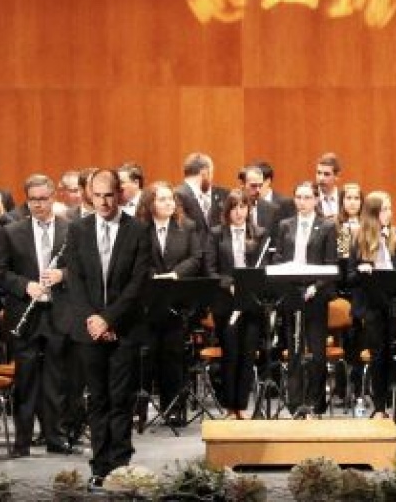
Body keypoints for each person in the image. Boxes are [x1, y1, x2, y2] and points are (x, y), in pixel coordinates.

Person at [62, 168, 151, 484]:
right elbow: (76, 280)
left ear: (120, 194)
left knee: (121, 398)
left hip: (123, 328)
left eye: (109, 195)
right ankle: (99, 466)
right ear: (89, 194)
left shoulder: (138, 230)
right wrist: (93, 320)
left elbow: (138, 283)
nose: (103, 202)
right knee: (97, 399)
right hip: (89, 329)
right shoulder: (78, 230)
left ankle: (121, 466)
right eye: (97, 195)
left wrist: (109, 319)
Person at [0, 174, 74, 457]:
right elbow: (0, 273)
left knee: (56, 380)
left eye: (43, 199)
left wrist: (61, 275)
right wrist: (24, 285)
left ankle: (56, 438)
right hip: (25, 315)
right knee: (26, 380)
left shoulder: (72, 230)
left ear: (53, 198)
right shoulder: (11, 232)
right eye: (33, 200)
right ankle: (22, 442)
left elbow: (83, 270)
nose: (38, 205)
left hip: (58, 312)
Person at [137, 181, 206, 424]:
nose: (169, 203)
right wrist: (153, 276)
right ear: (150, 204)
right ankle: (140, 410)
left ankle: (174, 408)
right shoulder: (140, 228)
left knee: (173, 355)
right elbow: (137, 258)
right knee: (146, 355)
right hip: (148, 302)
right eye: (162, 199)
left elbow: (195, 257)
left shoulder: (187, 226)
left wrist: (175, 274)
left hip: (177, 302)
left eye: (170, 199)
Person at [273, 182, 339, 417]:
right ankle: (295, 404)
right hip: (292, 294)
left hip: (316, 295)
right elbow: (279, 257)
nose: (302, 202)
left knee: (317, 354)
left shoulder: (328, 226)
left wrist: (315, 286)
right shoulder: (284, 225)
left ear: (315, 200)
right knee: (295, 351)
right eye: (298, 197)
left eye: (307, 197)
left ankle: (315, 404)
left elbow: (332, 264)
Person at [206, 189, 269, 418]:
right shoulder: (216, 234)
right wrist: (229, 284)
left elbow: (264, 269)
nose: (239, 212)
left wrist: (248, 286)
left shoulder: (260, 233)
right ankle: (229, 406)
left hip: (251, 303)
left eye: (243, 207)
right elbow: (210, 270)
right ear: (227, 211)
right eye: (234, 207)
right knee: (230, 354)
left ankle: (241, 406)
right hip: (227, 303)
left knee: (248, 354)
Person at [345, 191, 396, 418]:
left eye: (390, 209)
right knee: (378, 353)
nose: (389, 214)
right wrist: (363, 270)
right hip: (370, 305)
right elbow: (348, 277)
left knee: (393, 352)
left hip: (392, 303)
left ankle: (392, 403)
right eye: (384, 209)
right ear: (373, 214)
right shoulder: (359, 238)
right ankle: (379, 406)